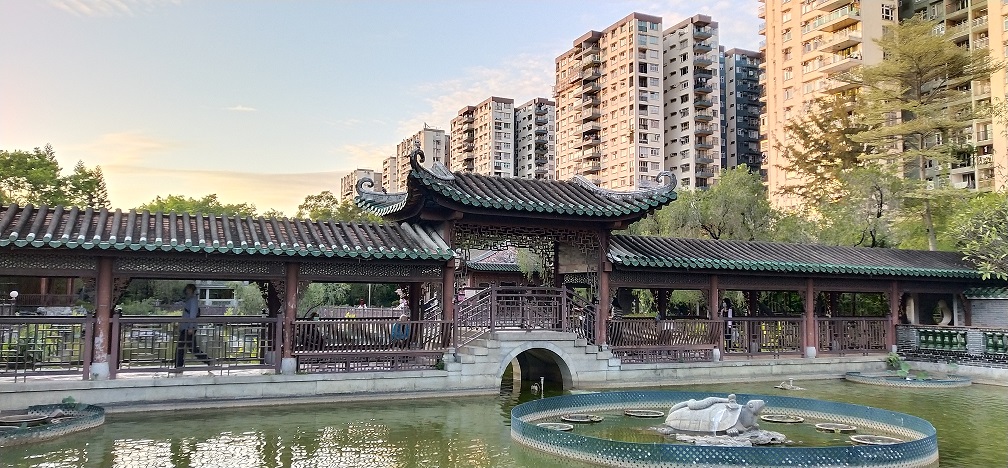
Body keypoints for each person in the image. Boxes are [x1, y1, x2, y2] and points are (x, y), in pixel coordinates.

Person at [173, 283, 213, 374]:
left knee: (181, 347)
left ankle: (178, 367)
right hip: (186, 327)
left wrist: (191, 327)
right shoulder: (189, 300)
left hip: (188, 328)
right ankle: (208, 361)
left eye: (189, 289)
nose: (187, 291)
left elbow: (193, 314)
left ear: (191, 290)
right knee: (192, 348)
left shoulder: (193, 300)